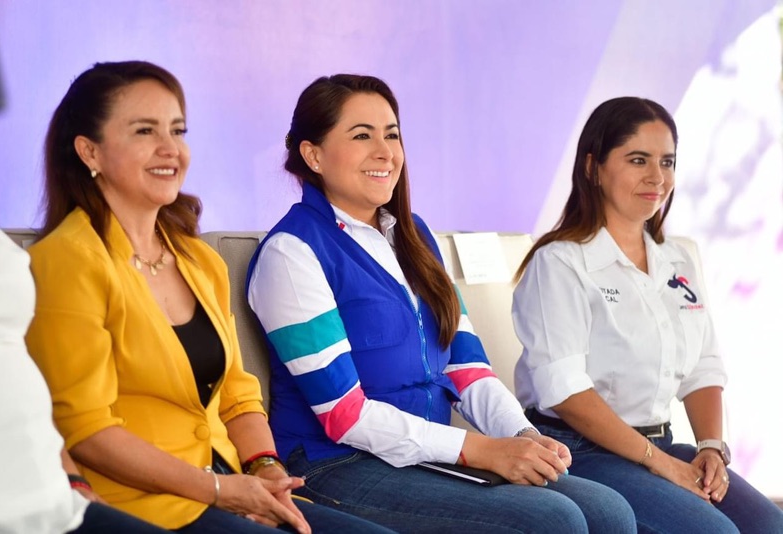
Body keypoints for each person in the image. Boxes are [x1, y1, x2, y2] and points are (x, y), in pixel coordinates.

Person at [247, 74, 637, 533]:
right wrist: (480, 450)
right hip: (335, 463)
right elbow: (344, 416)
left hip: (421, 457)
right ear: (314, 155)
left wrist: (523, 435)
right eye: (362, 136)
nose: (385, 152)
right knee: (554, 521)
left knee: (610, 511)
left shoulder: (414, 235)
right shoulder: (292, 253)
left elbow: (467, 368)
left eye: (392, 135)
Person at [24, 61, 394, 534]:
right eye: (145, 131)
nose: (170, 148)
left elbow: (238, 395)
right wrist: (218, 489)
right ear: (89, 150)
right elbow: (88, 431)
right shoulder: (65, 261)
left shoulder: (198, 259)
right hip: (138, 505)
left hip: (228, 484)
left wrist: (264, 468)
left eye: (177, 130)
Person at [511, 96, 783, 533]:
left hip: (659, 444)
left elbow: (703, 367)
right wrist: (661, 464)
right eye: (638, 160)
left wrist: (711, 447)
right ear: (593, 167)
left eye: (667, 161)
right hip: (579, 452)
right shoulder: (559, 263)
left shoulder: (677, 260)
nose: (657, 177)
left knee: (769, 525)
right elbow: (565, 392)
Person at [0, 209, 169, 534]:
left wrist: (72, 479)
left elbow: (12, 366)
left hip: (56, 500)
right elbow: (83, 419)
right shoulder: (70, 254)